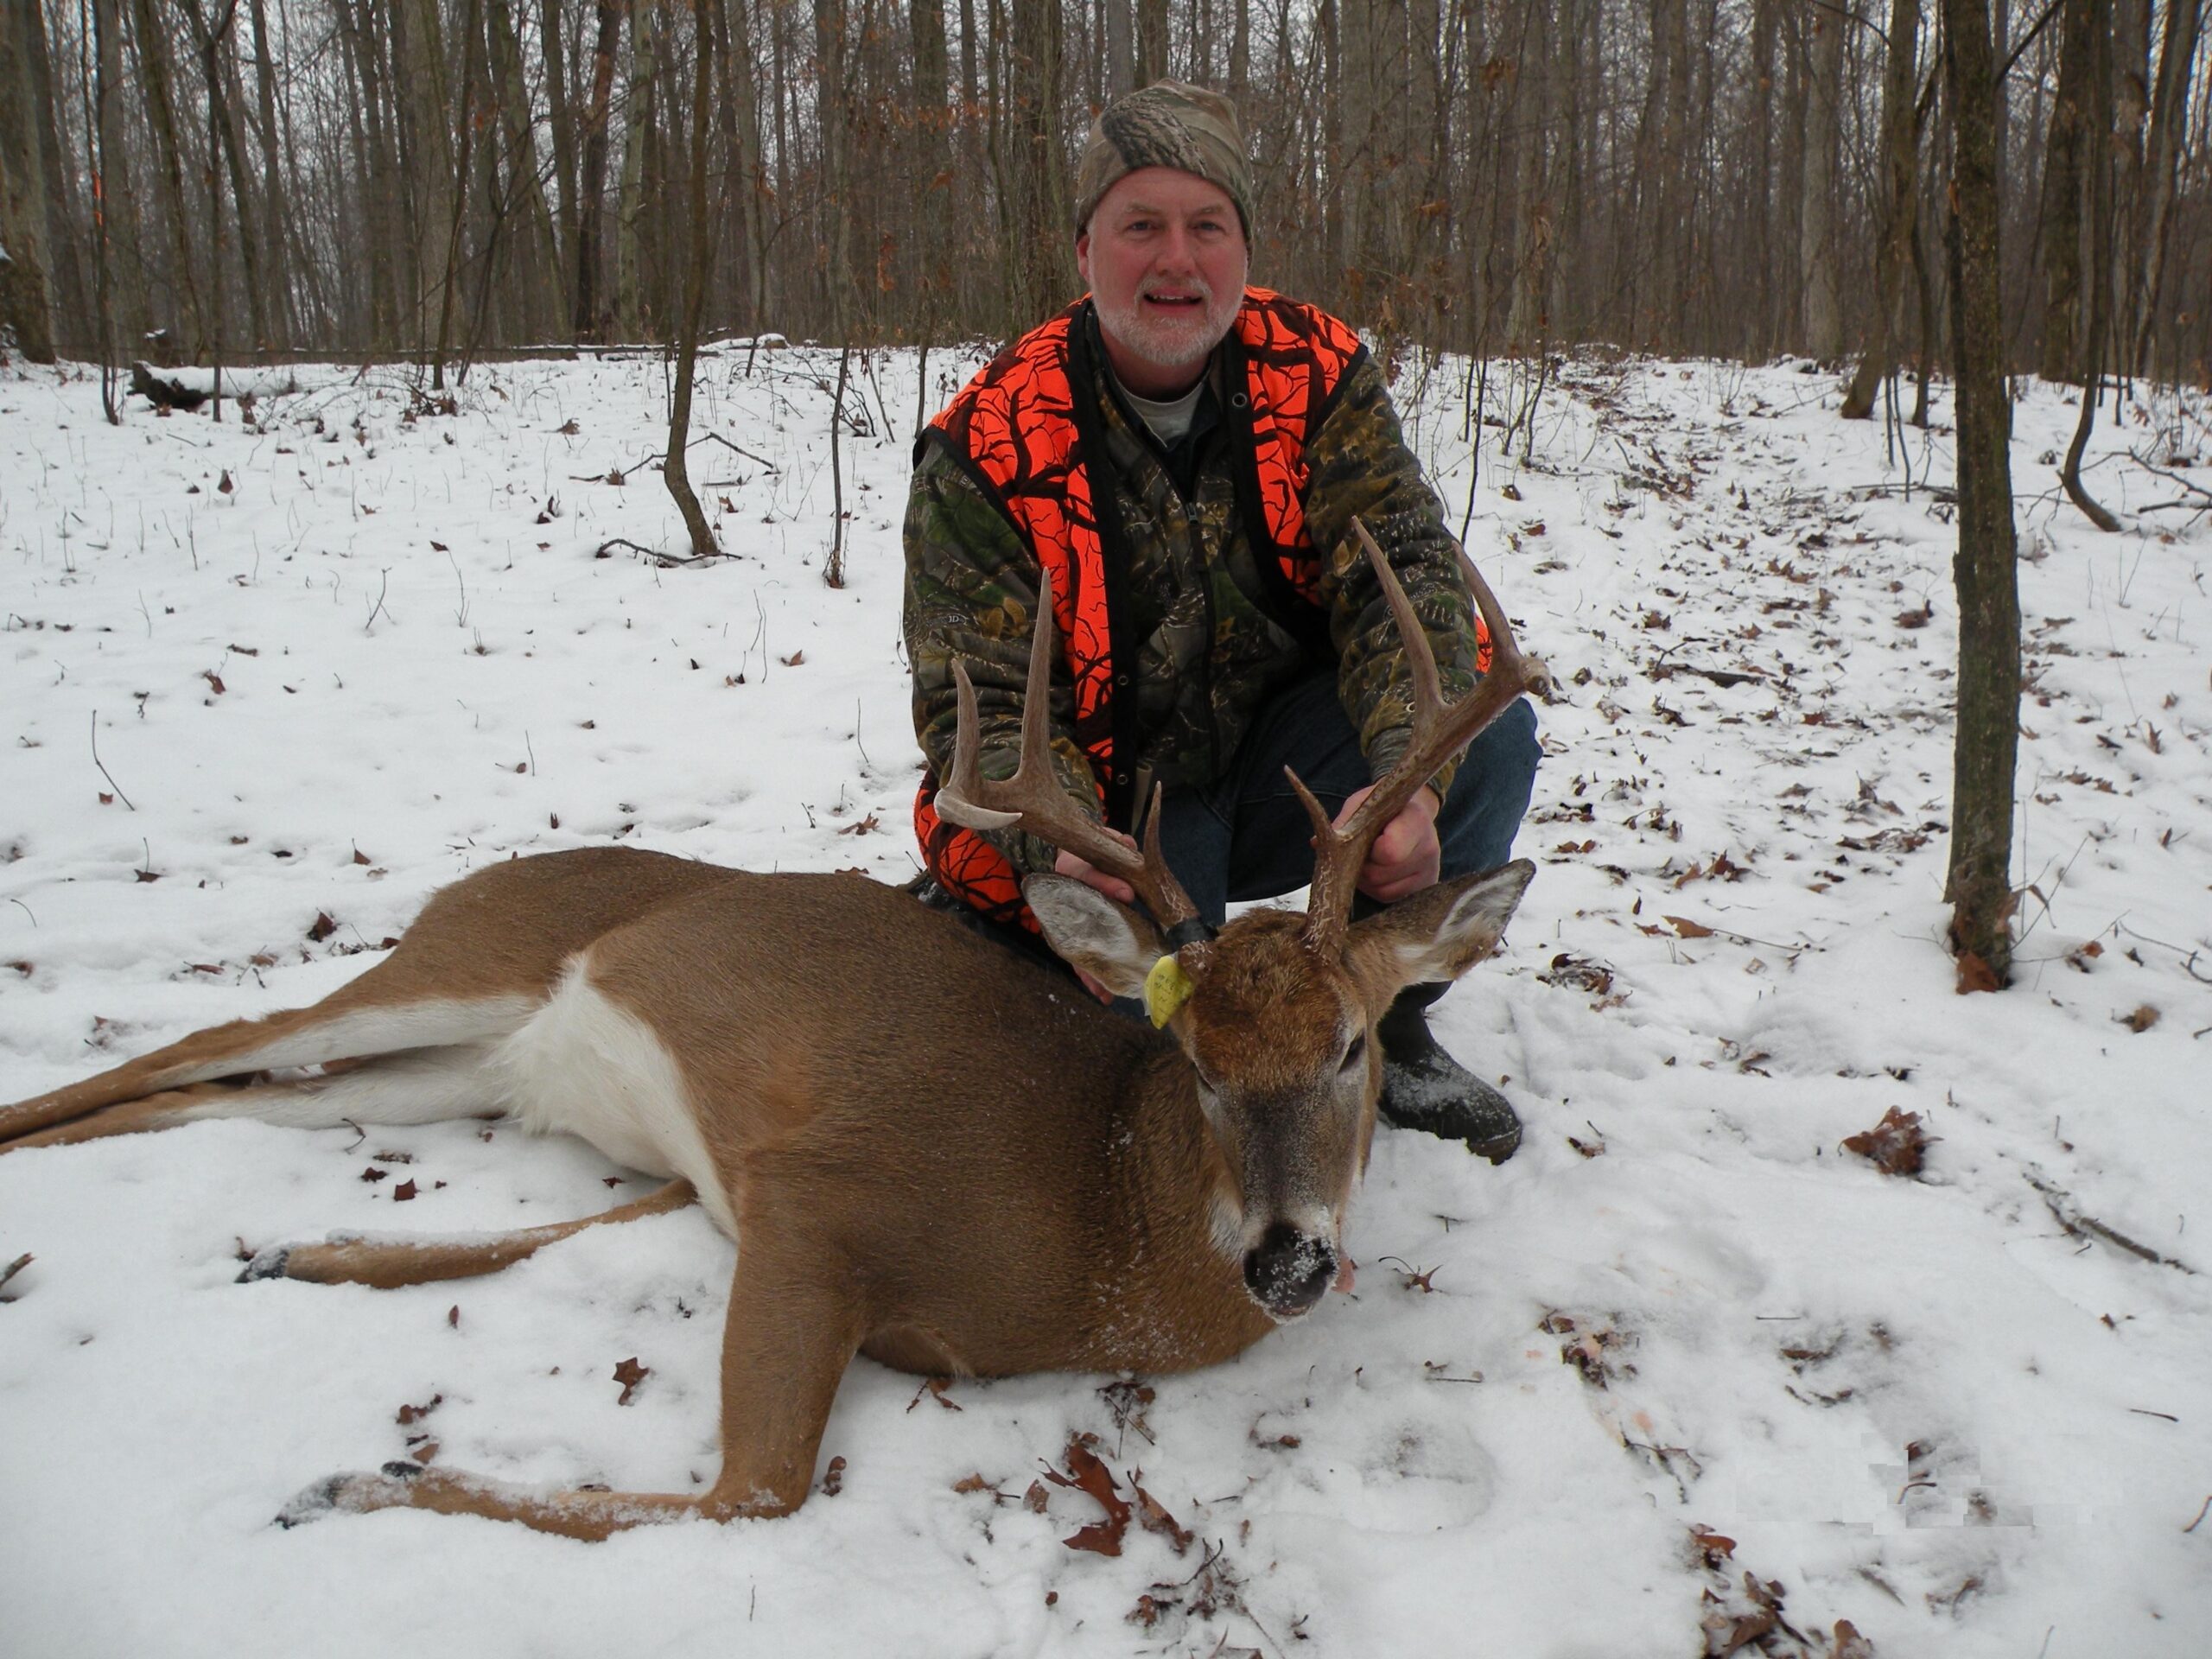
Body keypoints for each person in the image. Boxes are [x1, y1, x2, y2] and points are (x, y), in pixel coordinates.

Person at [901, 80, 1540, 1162]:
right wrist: (1058, 848)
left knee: (1487, 736)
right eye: (1139, 227)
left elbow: (1405, 589)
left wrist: (1410, 788)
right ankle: (1012, 940)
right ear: (1084, 250)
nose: (1176, 260)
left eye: (1207, 226)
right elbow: (980, 704)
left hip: (1283, 767)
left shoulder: (1316, 373)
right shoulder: (989, 442)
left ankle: (1383, 1030)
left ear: (1244, 248)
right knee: (1148, 1053)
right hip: (1119, 809)